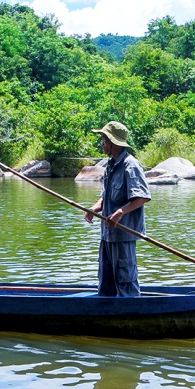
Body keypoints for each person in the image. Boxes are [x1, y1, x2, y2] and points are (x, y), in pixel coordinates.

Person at [84, 121, 150, 297]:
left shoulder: (131, 165)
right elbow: (106, 198)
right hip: (107, 235)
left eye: (104, 139)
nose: (102, 143)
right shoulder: (110, 165)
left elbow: (142, 196)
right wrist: (94, 209)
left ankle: (131, 316)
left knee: (125, 284)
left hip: (123, 234)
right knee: (106, 285)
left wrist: (121, 212)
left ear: (112, 142)